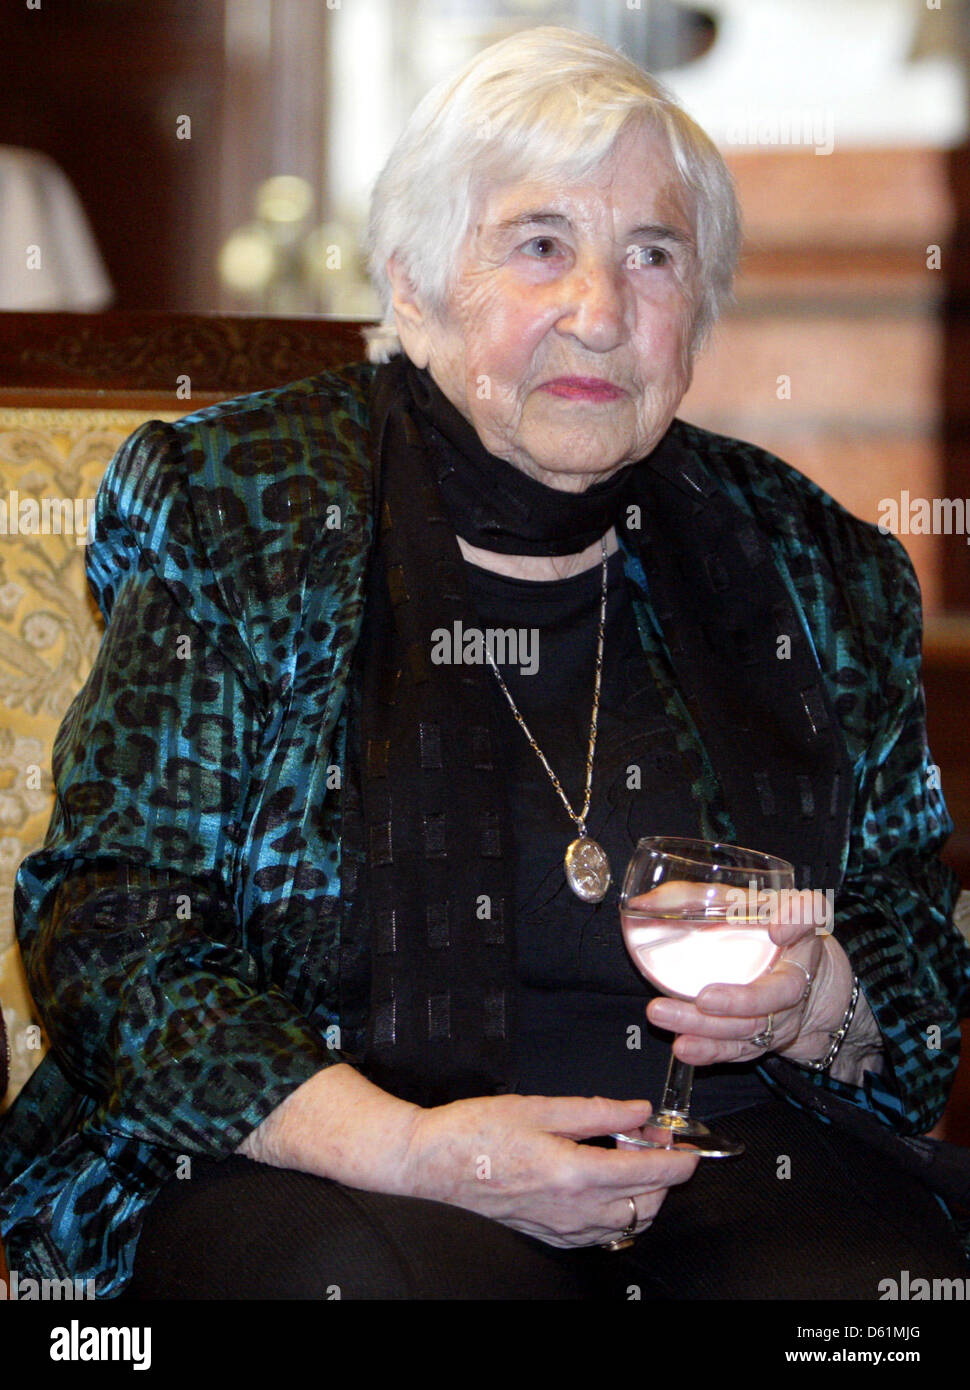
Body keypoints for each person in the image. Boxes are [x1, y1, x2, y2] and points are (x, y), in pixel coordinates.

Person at [2, 25, 969, 1301]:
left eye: (653, 255)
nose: (601, 309)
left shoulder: (819, 566)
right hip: (323, 1155)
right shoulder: (245, 506)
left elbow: (914, 925)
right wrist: (414, 1148)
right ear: (412, 288)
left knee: (880, 1312)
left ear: (702, 306)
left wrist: (820, 1000)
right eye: (539, 246)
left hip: (721, 1153)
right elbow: (115, 924)